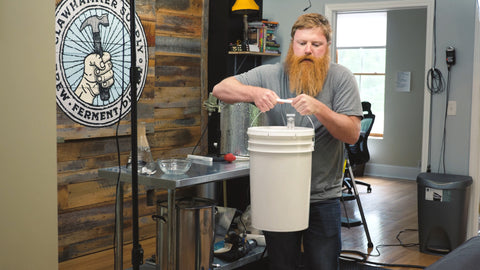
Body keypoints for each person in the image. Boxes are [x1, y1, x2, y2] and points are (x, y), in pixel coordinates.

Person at [213, 13, 363, 270]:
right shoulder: (270, 74)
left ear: (327, 48)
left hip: (322, 195)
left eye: (316, 45)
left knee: (323, 265)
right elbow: (220, 90)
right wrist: (254, 92)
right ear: (292, 44)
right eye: (301, 43)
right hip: (278, 193)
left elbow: (351, 134)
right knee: (282, 264)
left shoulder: (341, 78)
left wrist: (320, 109)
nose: (307, 50)